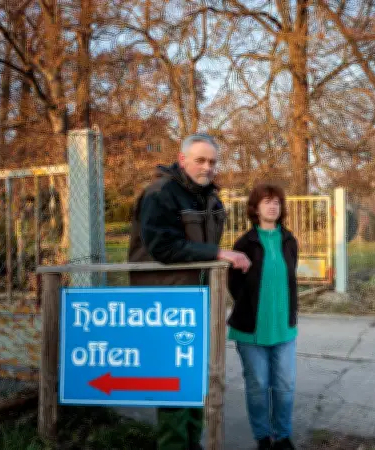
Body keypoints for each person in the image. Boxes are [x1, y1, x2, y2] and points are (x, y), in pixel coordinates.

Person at [128, 133, 251, 450]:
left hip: (200, 298)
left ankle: (191, 443)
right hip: (166, 301)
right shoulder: (161, 193)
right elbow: (163, 247)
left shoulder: (210, 197)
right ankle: (173, 445)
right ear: (182, 160)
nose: (208, 167)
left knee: (197, 376)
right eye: (201, 160)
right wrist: (218, 253)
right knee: (173, 380)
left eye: (212, 161)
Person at [226, 183, 300, 450]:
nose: (273, 206)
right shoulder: (245, 243)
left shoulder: (289, 240)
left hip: (284, 328)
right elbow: (233, 284)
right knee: (258, 387)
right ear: (255, 208)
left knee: (285, 386)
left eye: (277, 202)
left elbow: (289, 280)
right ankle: (263, 437)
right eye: (267, 201)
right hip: (251, 330)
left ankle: (282, 436)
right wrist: (248, 307)